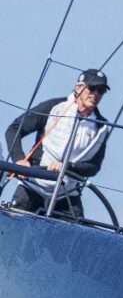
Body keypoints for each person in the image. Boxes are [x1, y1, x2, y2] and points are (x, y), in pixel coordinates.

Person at [4, 69, 112, 217]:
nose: (96, 94)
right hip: (33, 187)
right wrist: (19, 160)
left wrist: (68, 166)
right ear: (78, 88)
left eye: (101, 91)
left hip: (67, 195)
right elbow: (14, 129)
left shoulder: (101, 127)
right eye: (92, 88)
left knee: (79, 236)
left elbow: (94, 167)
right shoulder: (53, 107)